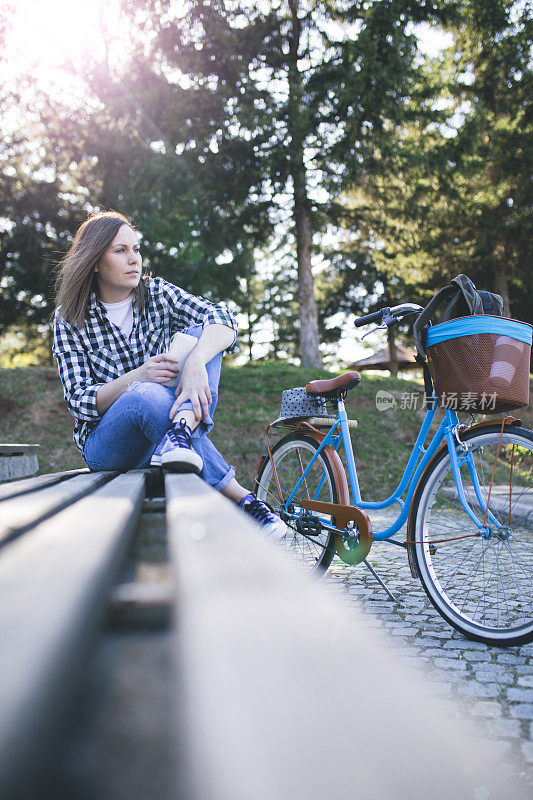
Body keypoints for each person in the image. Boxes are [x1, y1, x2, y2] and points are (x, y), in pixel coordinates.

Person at [52, 210, 287, 539]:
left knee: (203, 334)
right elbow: (80, 402)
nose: (134, 259)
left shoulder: (157, 293)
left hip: (160, 432)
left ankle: (179, 432)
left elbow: (222, 318)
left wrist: (195, 362)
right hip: (108, 445)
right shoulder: (70, 318)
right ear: (94, 261)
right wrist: (139, 376)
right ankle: (242, 498)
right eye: (120, 251)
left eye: (136, 249)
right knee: (144, 395)